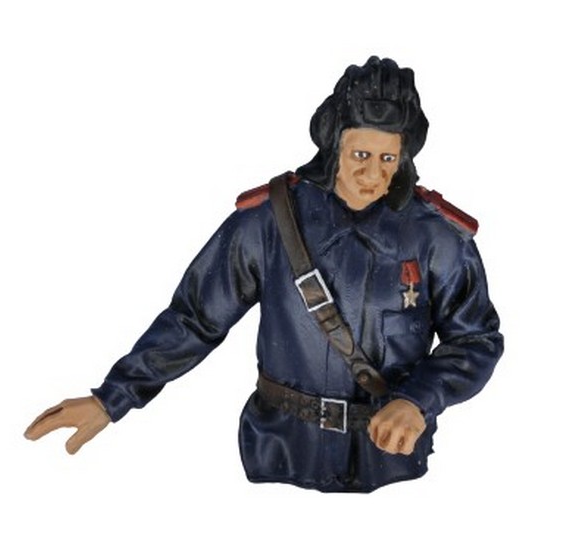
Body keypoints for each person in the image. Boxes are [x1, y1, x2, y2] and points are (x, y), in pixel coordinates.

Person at [25, 56, 503, 492]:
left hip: (390, 464)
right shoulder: (271, 223)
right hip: (281, 452)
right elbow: (194, 319)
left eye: (387, 159)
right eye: (360, 155)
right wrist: (111, 399)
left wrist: (418, 400)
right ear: (334, 146)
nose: (373, 174)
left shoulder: (436, 238)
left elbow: (476, 339)